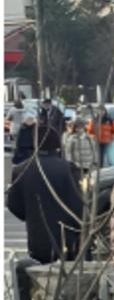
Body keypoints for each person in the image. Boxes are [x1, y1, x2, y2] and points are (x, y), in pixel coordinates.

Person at [5, 107, 85, 263]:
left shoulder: (21, 169)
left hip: (37, 235)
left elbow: (14, 204)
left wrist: (30, 214)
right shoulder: (68, 169)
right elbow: (78, 204)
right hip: (66, 234)